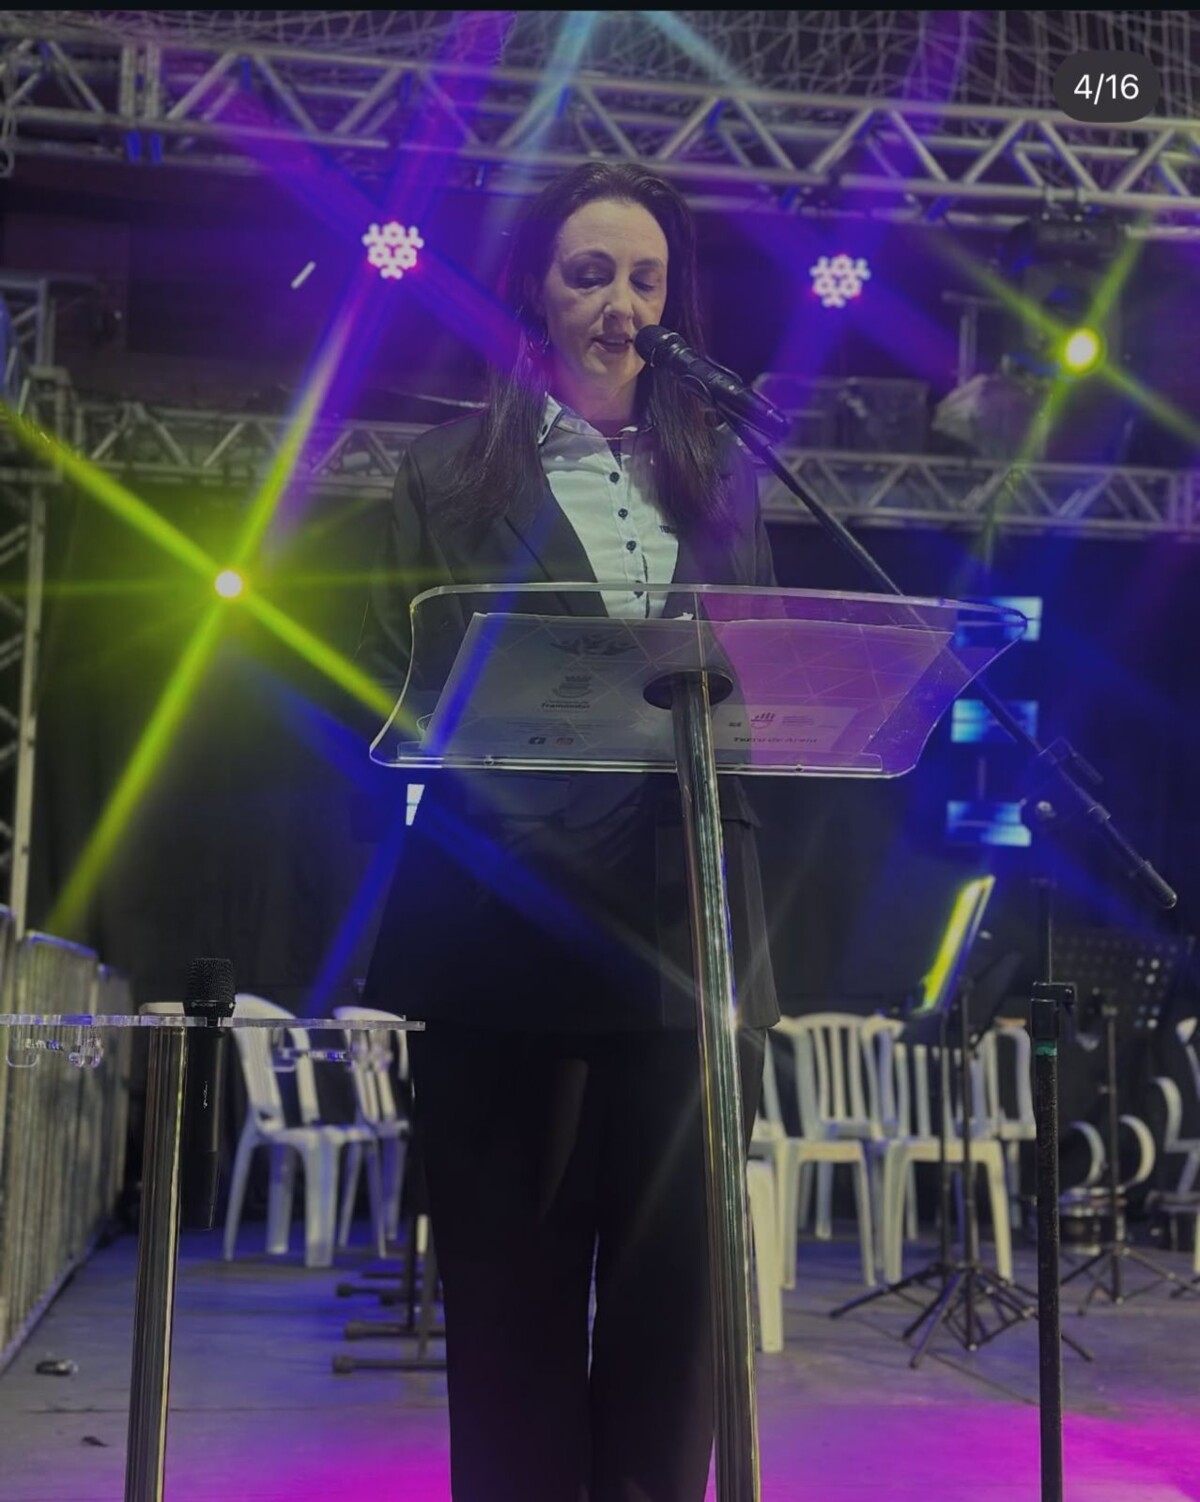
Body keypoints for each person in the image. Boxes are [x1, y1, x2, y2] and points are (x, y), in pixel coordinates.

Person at [356, 162, 780, 1502]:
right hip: (509, 932)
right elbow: (394, 683)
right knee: (514, 1325)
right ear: (534, 292)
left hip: (683, 934)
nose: (621, 305)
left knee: (678, 1327)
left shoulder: (723, 482)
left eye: (646, 280)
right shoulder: (445, 476)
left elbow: (760, 685)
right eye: (589, 274)